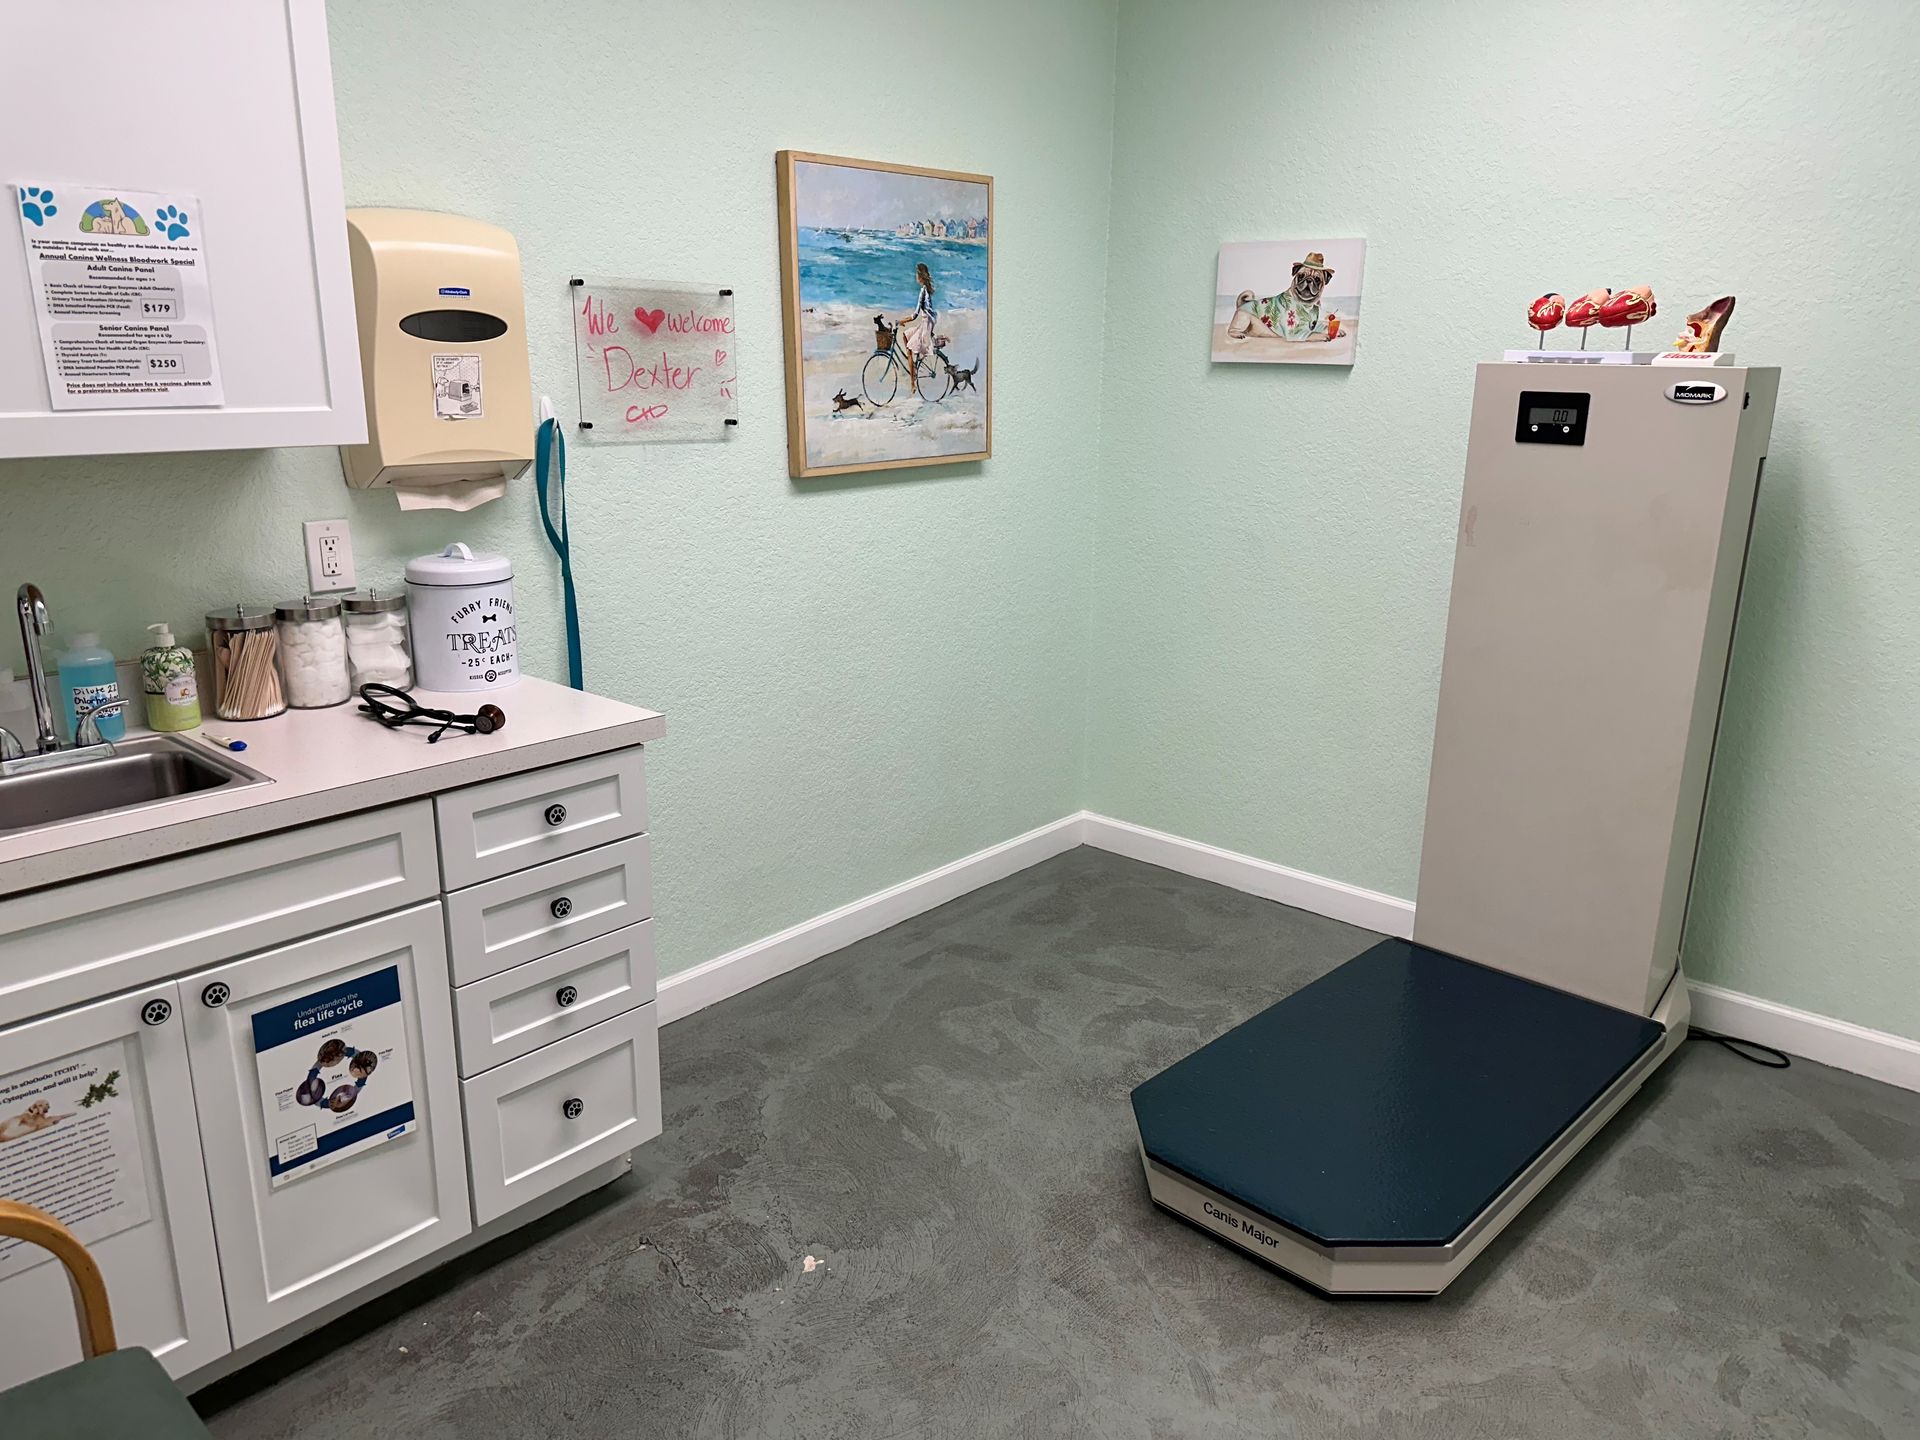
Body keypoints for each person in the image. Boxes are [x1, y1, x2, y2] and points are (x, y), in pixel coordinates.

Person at [896, 262, 937, 396]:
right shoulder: (927, 290)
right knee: (905, 336)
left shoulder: (923, 291)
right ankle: (913, 368)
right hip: (927, 323)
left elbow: (914, 315)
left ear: (920, 276)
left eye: (916, 274)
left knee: (909, 347)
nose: (915, 276)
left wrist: (901, 321)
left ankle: (913, 382)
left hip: (926, 326)